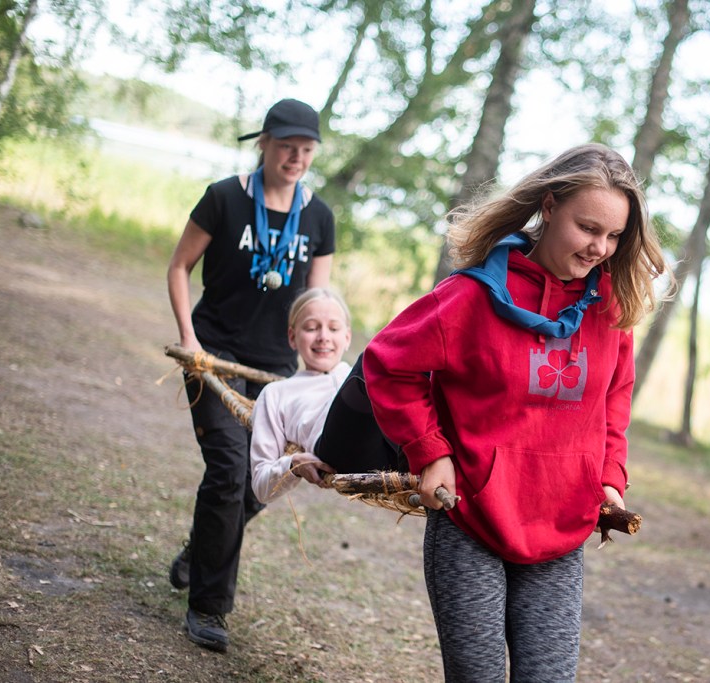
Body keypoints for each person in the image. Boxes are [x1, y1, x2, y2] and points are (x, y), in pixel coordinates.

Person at [361, 143, 672, 681]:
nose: (599, 247)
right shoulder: (470, 297)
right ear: (549, 206)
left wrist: (609, 474)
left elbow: (614, 396)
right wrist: (431, 452)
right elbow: (389, 364)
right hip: (471, 517)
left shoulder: (609, 308)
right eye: (587, 228)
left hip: (562, 524)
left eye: (614, 236)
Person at [166, 97, 335, 653]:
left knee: (268, 477)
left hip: (276, 368)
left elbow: (316, 300)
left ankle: (204, 549)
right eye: (286, 146)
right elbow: (179, 266)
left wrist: (319, 361)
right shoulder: (224, 197)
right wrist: (190, 341)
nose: (296, 157)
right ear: (263, 143)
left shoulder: (319, 217)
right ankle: (209, 609)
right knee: (228, 469)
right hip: (213, 352)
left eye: (306, 149)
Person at [251, 288, 405, 504]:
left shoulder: (353, 376)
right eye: (311, 328)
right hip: (340, 448)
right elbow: (260, 485)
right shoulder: (276, 393)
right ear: (292, 337)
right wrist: (292, 465)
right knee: (375, 358)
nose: (323, 337)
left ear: (347, 337)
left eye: (333, 328)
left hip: (396, 448)